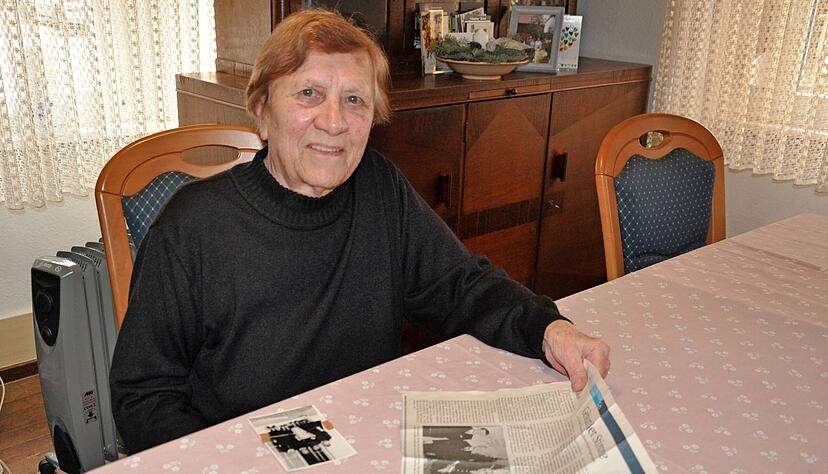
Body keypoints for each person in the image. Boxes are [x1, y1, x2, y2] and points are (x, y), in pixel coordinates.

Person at [109, 8, 610, 454]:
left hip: (369, 438)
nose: (334, 122)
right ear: (261, 112)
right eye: (309, 93)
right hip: (243, 451)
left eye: (354, 100)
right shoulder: (192, 226)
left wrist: (548, 328)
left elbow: (461, 285)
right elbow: (144, 395)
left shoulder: (379, 186)